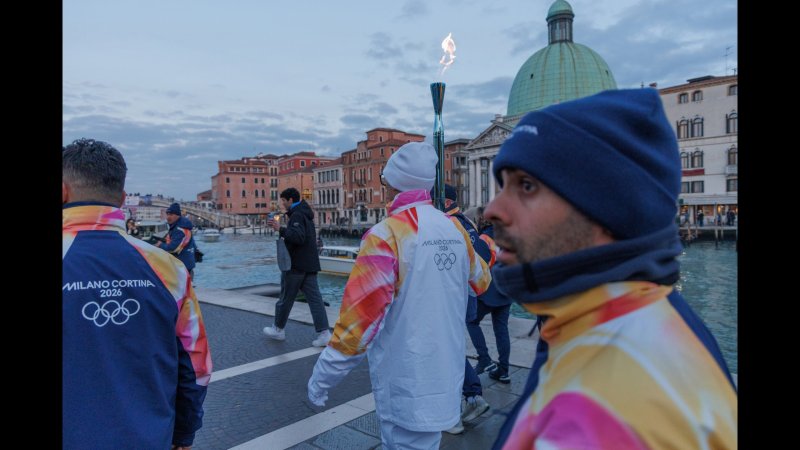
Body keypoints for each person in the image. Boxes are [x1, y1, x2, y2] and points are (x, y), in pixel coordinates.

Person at [483, 89, 737, 449]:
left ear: (607, 208)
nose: (491, 210)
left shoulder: (601, 415)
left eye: (527, 185)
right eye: (503, 184)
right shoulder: (646, 314)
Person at [307, 142, 491, 449]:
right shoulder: (455, 230)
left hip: (405, 377)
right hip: (446, 375)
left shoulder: (385, 235)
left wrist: (322, 377)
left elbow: (358, 323)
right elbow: (482, 281)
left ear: (392, 185)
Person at [63, 138, 212, 449]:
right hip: (150, 437)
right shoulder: (170, 270)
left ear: (63, 192)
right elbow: (196, 364)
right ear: (122, 198)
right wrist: (184, 432)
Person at [435, 184, 492, 435]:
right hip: (469, 293)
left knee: (446, 350)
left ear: (445, 202)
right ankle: (472, 396)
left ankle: (457, 409)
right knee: (452, 346)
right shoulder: (467, 222)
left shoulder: (447, 224)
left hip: (454, 296)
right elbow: (482, 259)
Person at [263, 187, 331, 347]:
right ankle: (325, 333)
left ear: (290, 200)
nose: (282, 204)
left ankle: (278, 329)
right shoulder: (305, 213)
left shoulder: (297, 215)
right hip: (309, 264)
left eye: (283, 201)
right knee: (315, 300)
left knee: (285, 298)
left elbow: (298, 237)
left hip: (296, 265)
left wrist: (280, 229)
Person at [155, 203, 198, 278]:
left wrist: (160, 245)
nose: (168, 217)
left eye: (171, 214)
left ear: (178, 215)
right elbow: (193, 246)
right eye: (167, 214)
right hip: (185, 265)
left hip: (182, 267)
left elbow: (173, 248)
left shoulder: (180, 229)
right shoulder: (180, 227)